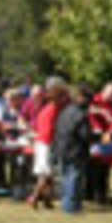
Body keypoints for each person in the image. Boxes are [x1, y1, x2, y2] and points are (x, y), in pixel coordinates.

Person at [28, 77, 69, 209]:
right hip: (46, 142)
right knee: (45, 173)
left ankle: (47, 200)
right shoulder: (53, 108)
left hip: (44, 142)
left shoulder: (47, 108)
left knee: (48, 173)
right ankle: (34, 197)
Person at [54, 84, 93, 214]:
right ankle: (72, 207)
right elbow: (85, 135)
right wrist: (96, 137)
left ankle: (67, 204)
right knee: (74, 179)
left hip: (62, 149)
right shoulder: (81, 114)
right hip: (76, 150)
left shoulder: (65, 111)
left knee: (66, 178)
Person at [88, 82, 112, 204]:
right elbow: (88, 108)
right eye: (111, 94)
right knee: (94, 167)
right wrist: (102, 112)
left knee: (104, 167)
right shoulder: (96, 99)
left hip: (105, 136)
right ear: (104, 91)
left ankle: (102, 195)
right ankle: (92, 194)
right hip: (93, 135)